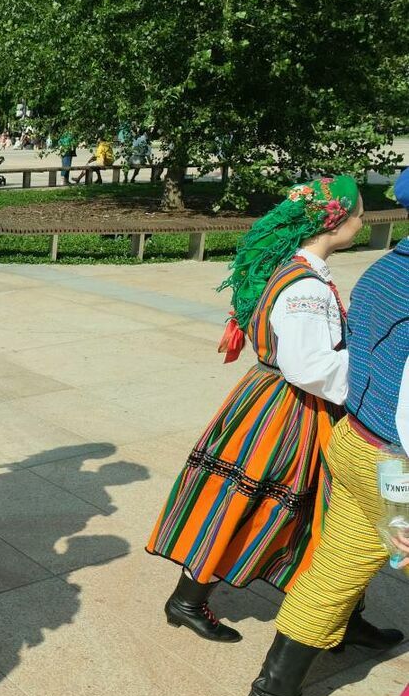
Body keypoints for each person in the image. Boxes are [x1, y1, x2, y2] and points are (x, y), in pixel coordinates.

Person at [145, 176, 397, 650]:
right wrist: (370, 367)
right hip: (291, 409)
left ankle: (344, 613)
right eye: (360, 212)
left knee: (315, 511)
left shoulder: (302, 271)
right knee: (264, 503)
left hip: (276, 399)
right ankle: (188, 599)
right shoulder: (307, 288)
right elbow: (309, 367)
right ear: (334, 221)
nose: (364, 221)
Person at [245, 171, 409, 696]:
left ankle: (274, 691)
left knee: (337, 565)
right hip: (397, 465)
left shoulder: (383, 271)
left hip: (357, 443)